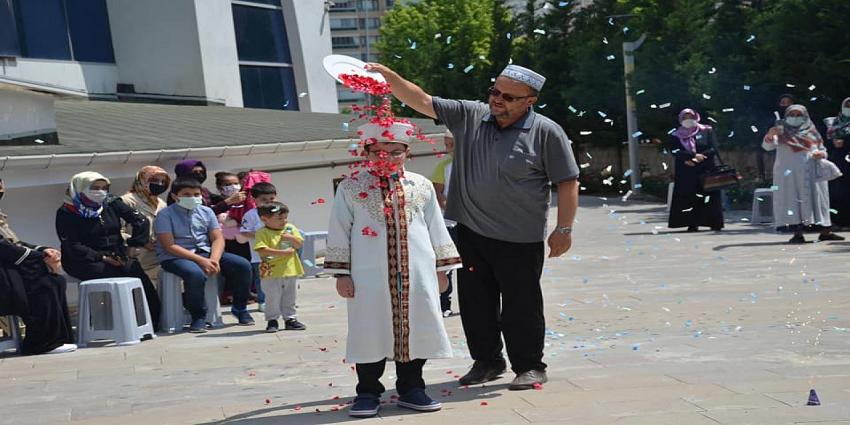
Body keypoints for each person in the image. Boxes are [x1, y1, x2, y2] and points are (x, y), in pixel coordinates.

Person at [365, 63, 579, 390]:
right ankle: (487, 361)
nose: (497, 99)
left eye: (508, 96)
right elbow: (420, 100)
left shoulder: (546, 132)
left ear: (529, 101)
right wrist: (388, 78)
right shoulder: (469, 115)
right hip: (470, 232)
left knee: (522, 306)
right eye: (495, 91)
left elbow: (567, 181)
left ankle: (530, 366)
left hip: (520, 238)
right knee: (476, 304)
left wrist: (564, 229)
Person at [326, 120, 462, 417]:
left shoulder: (421, 185)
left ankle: (412, 388)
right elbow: (338, 229)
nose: (386, 158)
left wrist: (442, 270)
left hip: (417, 273)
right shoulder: (351, 187)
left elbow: (436, 228)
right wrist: (341, 273)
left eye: (395, 152)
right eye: (379, 152)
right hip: (368, 276)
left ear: (407, 152)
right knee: (368, 329)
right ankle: (368, 392)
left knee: (417, 327)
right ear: (368, 153)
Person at [56, 171, 161, 332]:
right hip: (84, 259)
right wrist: (102, 257)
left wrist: (134, 245)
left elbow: (140, 220)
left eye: (104, 187)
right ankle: (121, 325)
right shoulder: (67, 212)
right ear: (80, 188)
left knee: (137, 275)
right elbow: (73, 245)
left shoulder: (111, 203)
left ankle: (151, 322)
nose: (101, 192)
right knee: (118, 278)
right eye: (95, 187)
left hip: (117, 253)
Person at [155, 177, 255, 333]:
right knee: (195, 274)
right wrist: (202, 261)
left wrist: (214, 259)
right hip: (175, 256)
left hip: (205, 252)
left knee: (242, 265)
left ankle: (240, 308)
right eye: (187, 194)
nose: (193, 198)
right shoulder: (165, 215)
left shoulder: (206, 211)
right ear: (175, 196)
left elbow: (217, 238)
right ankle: (198, 316)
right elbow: (170, 245)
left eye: (196, 194)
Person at [0, 177, 76, 355]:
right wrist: (39, 256)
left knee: (56, 281)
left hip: (9, 269)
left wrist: (44, 250)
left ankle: (59, 337)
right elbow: (4, 248)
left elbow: (15, 243)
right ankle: (40, 343)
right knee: (42, 284)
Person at [763, 105, 844, 243]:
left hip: (812, 172)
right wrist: (770, 135)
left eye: (798, 114)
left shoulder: (812, 131)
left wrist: (821, 154)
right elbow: (768, 146)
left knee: (819, 201)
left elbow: (823, 149)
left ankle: (825, 231)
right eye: (792, 114)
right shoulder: (781, 132)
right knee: (793, 201)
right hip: (789, 175)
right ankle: (797, 233)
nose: (795, 117)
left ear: (805, 116)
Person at [666, 108, 724, 232]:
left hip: (706, 168)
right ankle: (692, 223)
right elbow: (675, 151)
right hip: (687, 170)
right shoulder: (676, 134)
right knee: (690, 196)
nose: (688, 120)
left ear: (696, 117)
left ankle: (714, 222)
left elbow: (713, 148)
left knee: (709, 195)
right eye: (685, 117)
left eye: (690, 117)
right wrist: (691, 157)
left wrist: (699, 157)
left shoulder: (706, 130)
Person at [253, 202, 305, 332]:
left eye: (285, 218)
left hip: (290, 268)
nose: (284, 221)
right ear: (265, 219)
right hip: (271, 271)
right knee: (272, 297)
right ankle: (272, 319)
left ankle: (290, 318)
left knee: (290, 295)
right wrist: (282, 253)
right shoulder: (262, 232)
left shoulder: (290, 228)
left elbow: (299, 244)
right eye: (279, 218)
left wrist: (291, 238)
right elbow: (262, 249)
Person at [121, 166, 171, 288]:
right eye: (154, 180)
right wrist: (142, 242)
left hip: (158, 254)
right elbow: (118, 231)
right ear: (142, 179)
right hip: (136, 256)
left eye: (162, 182)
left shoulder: (161, 204)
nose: (159, 184)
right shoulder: (127, 201)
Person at [238, 182, 278, 313]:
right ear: (254, 200)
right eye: (263, 200)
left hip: (279, 254)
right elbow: (244, 232)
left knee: (279, 278)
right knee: (262, 280)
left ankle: (281, 301)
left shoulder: (279, 211)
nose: (268, 202)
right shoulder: (250, 215)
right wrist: (261, 234)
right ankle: (263, 301)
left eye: (271, 199)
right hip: (259, 256)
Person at [429, 130, 457, 317]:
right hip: (449, 223)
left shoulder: (476, 164)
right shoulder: (444, 166)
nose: (447, 149)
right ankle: (443, 304)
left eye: (450, 144)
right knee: (447, 265)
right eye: (446, 144)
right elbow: (438, 193)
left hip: (473, 224)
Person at [825, 97, 850, 228]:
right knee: (839, 190)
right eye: (848, 106)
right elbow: (826, 140)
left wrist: (845, 142)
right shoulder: (834, 122)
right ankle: (839, 220)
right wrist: (833, 142)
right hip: (839, 161)